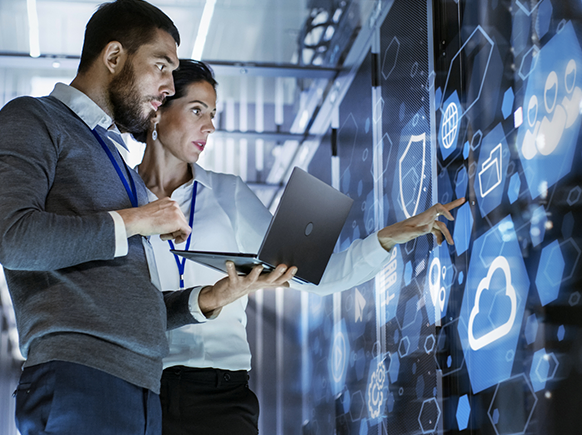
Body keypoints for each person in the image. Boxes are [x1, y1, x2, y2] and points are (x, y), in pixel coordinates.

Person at [0, 3, 293, 434]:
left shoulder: (114, 159)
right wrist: (135, 221)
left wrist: (214, 296)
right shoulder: (33, 118)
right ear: (113, 58)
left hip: (141, 388)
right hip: (82, 376)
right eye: (161, 66)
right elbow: (15, 240)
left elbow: (136, 304)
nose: (168, 86)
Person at [133, 59, 466, 434]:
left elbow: (313, 276)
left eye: (212, 113)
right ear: (158, 109)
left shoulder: (229, 194)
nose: (210, 126)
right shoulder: (120, 200)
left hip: (220, 396)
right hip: (139, 390)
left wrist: (386, 237)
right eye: (197, 110)